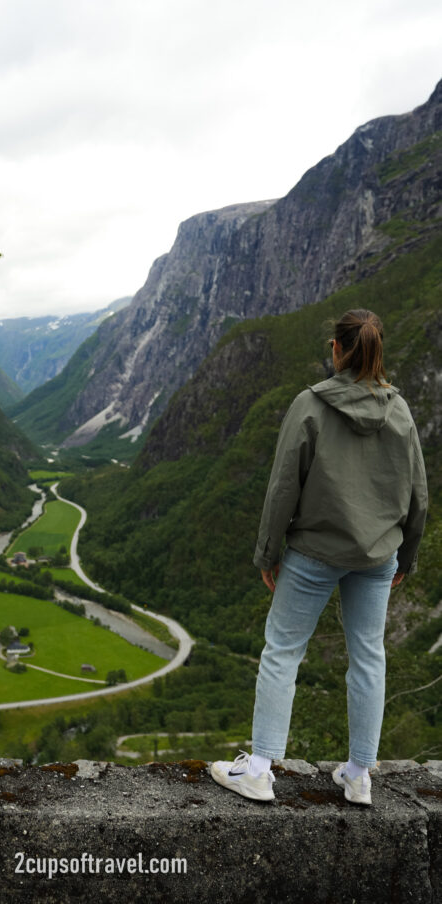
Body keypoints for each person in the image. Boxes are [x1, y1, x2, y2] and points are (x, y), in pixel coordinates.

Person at [210, 308, 428, 805]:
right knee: (369, 657)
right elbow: (419, 495)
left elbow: (283, 486)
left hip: (313, 553)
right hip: (378, 558)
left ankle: (260, 771)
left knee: (283, 652)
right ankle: (358, 776)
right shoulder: (400, 411)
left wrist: (268, 552)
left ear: (336, 350)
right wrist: (406, 557)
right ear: (377, 351)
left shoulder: (310, 405)